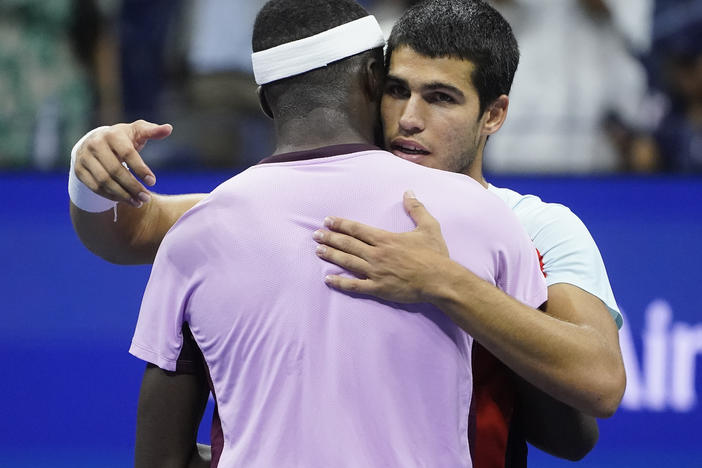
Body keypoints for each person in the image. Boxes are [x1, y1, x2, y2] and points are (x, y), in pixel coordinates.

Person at [68, 0, 625, 465]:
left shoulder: (536, 227)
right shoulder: (254, 209)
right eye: (397, 90)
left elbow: (593, 394)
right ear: (370, 85)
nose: (409, 117)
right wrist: (88, 169)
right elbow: (130, 231)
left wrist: (446, 281)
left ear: (494, 114)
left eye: (441, 98)